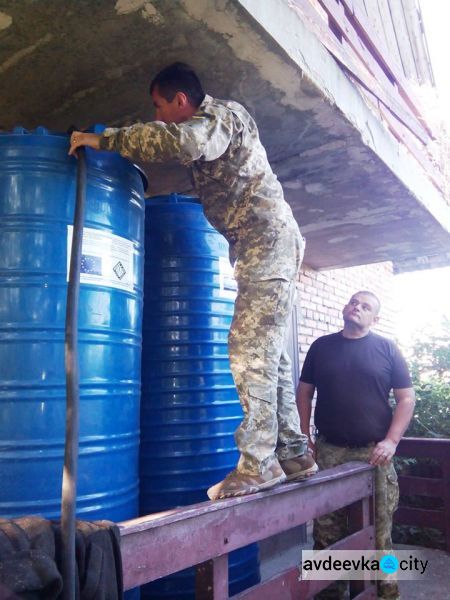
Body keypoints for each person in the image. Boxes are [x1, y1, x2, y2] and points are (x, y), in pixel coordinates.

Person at [69, 62, 317, 500]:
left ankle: (259, 464)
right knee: (272, 353)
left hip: (267, 239)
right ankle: (293, 453)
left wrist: (105, 140)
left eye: (159, 107)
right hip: (263, 243)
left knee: (249, 350)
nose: (159, 116)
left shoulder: (222, 116)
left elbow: (184, 141)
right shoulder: (215, 123)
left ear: (180, 100)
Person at [297, 290, 415, 600]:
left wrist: (391, 441)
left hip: (373, 454)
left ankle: (387, 594)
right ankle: (328, 595)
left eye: (365, 306)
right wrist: (304, 436)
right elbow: (304, 393)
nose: (356, 308)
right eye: (353, 302)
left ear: (374, 318)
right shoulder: (321, 347)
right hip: (328, 451)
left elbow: (406, 398)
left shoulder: (387, 349)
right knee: (325, 533)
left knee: (381, 534)